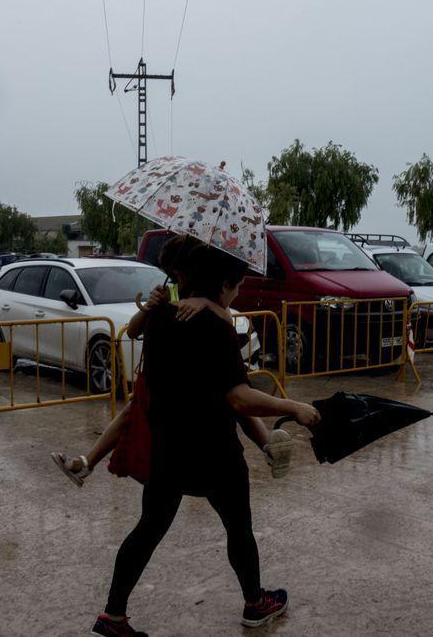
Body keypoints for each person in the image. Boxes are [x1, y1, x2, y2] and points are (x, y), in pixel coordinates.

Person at [91, 245, 320, 636]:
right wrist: (293, 406)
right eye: (237, 286)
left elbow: (136, 332)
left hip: (167, 449)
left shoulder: (160, 318)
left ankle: (113, 615)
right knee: (239, 528)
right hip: (214, 453)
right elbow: (237, 396)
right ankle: (255, 603)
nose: (237, 294)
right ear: (224, 284)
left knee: (147, 529)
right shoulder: (217, 329)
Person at [52, 237, 292, 485]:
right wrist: (149, 307)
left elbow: (222, 320)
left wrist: (205, 302)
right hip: (183, 389)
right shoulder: (170, 299)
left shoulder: (203, 298)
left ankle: (87, 463)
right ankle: (87, 462)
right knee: (235, 400)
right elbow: (134, 331)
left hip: (190, 388)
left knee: (236, 401)